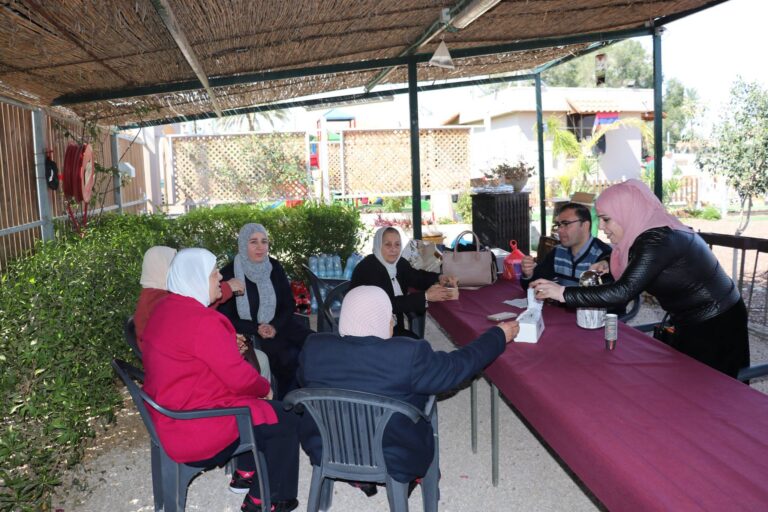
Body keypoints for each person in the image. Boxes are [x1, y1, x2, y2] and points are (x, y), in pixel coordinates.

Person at [297, 285, 519, 492]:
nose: (392, 322)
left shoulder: (314, 347)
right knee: (426, 406)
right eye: (390, 317)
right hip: (396, 458)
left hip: (326, 449)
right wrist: (497, 336)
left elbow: (302, 387)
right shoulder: (407, 354)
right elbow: (455, 367)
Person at [531, 179, 749, 378]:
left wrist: (562, 293)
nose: (602, 227)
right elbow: (630, 258)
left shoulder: (657, 240)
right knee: (685, 382)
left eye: (606, 219)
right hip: (690, 318)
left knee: (713, 389)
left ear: (627, 213)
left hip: (717, 321)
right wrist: (607, 261)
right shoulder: (647, 235)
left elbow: (622, 292)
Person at [142, 248, 299, 512]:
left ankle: (246, 473)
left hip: (171, 414)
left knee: (259, 409)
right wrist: (266, 388)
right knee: (284, 417)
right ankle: (268, 500)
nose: (220, 278)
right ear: (195, 278)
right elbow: (239, 379)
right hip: (195, 428)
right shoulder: (202, 321)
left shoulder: (164, 309)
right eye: (213, 273)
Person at [218, 224, 313, 400]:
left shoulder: (274, 267)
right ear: (243, 244)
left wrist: (275, 326)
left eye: (264, 241)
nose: (260, 247)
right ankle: (288, 403)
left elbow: (288, 304)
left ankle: (315, 397)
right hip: (250, 333)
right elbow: (225, 317)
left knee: (315, 344)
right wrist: (256, 328)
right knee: (289, 356)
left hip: (280, 325)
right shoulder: (228, 274)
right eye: (253, 242)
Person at [350, 226, 457, 337]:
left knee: (416, 342)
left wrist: (439, 278)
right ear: (378, 245)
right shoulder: (368, 269)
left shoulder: (398, 263)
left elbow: (417, 277)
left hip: (389, 325)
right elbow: (388, 304)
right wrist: (425, 296)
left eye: (397, 244)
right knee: (416, 343)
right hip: (367, 330)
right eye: (388, 244)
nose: (393, 249)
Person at [133, 245, 245, 351]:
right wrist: (227, 288)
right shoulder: (157, 300)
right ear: (162, 267)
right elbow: (192, 316)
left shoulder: (152, 294)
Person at [520, 202, 612, 290]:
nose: (559, 230)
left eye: (566, 224)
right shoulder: (558, 252)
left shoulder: (603, 256)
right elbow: (532, 286)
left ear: (585, 225)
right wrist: (529, 274)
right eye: (558, 225)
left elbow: (603, 297)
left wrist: (561, 293)